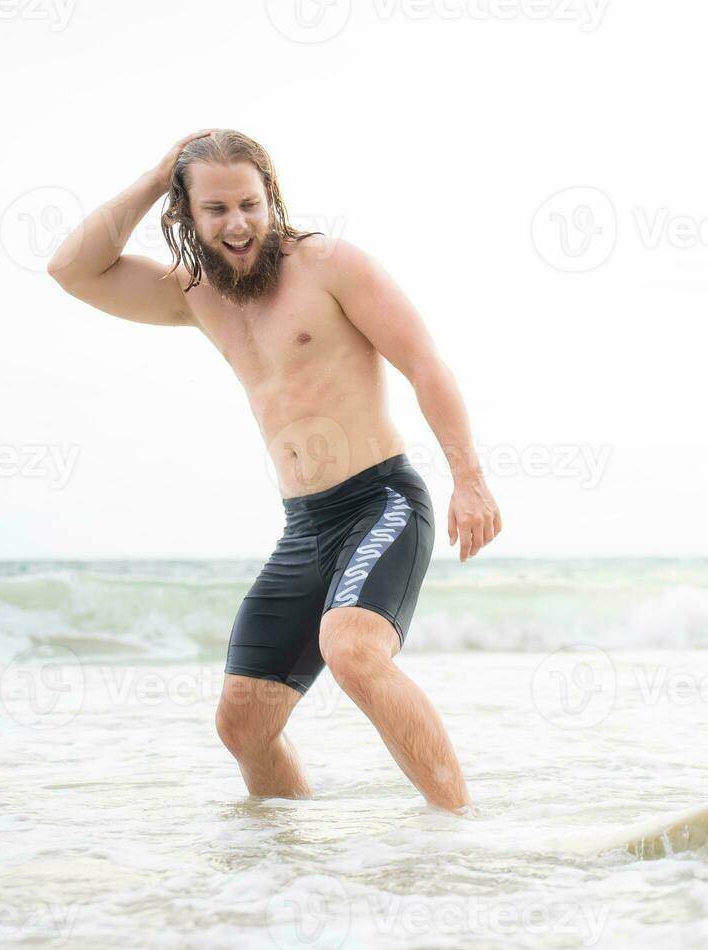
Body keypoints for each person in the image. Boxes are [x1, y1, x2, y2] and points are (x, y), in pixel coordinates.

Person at [48, 129, 499, 814]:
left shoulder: (330, 265)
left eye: (250, 204)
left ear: (272, 198)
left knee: (352, 652)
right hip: (304, 527)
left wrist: (469, 480)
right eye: (216, 209)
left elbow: (425, 364)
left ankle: (461, 831)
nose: (237, 225)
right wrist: (152, 175)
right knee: (243, 721)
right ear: (187, 216)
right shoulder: (194, 293)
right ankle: (285, 868)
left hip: (380, 502)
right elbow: (72, 271)